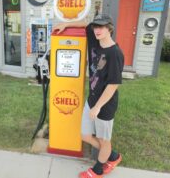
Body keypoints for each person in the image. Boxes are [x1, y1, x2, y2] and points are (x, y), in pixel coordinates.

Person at [53, 14, 124, 178]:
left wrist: (98, 107)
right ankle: (112, 155)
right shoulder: (94, 38)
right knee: (85, 135)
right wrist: (65, 24)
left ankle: (99, 169)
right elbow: (84, 23)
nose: (97, 30)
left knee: (103, 139)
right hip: (91, 99)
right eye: (96, 27)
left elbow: (113, 85)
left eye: (101, 27)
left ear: (109, 28)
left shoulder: (115, 53)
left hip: (105, 105)